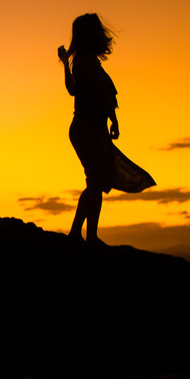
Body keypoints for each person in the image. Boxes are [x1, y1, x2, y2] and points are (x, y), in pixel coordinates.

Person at [57, 14, 154, 244]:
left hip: (92, 128)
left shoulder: (88, 62)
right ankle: (79, 234)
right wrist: (65, 64)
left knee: (96, 183)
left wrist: (113, 120)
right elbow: (80, 91)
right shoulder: (84, 63)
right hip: (86, 128)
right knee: (96, 181)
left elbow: (102, 96)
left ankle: (88, 235)